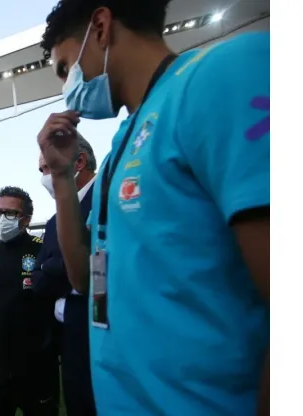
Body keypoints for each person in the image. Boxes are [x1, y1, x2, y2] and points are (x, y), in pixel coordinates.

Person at [38, 1, 270, 415]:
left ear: (102, 27)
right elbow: (84, 277)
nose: (66, 87)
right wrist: (60, 177)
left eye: (65, 68)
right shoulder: (117, 151)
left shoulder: (223, 74)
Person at [0, 186, 59, 416]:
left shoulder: (42, 250)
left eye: (10, 213)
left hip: (38, 364)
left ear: (26, 219)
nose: (1, 218)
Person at [32, 143, 97, 416]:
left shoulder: (109, 197)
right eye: (41, 170)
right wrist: (65, 268)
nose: (44, 176)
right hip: (68, 334)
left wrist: (55, 267)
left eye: (48, 167)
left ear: (79, 161)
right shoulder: (52, 221)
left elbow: (99, 263)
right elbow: (38, 279)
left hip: (104, 328)